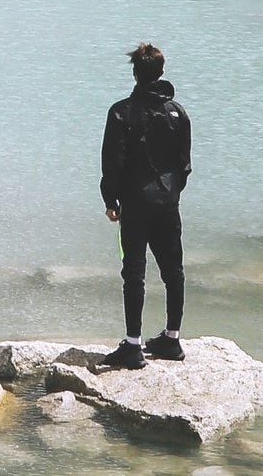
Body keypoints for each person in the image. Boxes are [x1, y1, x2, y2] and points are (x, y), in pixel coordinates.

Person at [99, 42, 192, 371]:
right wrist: (171, 194)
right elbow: (184, 166)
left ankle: (134, 346)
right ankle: (172, 339)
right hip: (168, 203)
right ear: (161, 72)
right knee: (174, 271)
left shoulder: (121, 112)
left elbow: (113, 163)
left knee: (134, 273)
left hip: (135, 205)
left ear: (136, 73)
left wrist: (110, 200)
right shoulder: (178, 113)